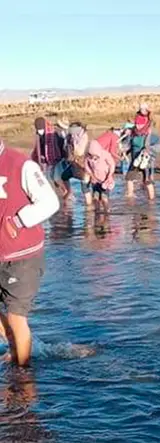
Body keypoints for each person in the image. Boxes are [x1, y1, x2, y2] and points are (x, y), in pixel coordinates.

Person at [0, 139, 61, 365]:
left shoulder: (21, 164)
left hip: (22, 256)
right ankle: (15, 348)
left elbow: (50, 202)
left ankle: (24, 376)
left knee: (16, 316)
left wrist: (18, 221)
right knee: (11, 323)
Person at [125, 104, 160, 200]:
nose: (138, 125)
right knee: (129, 178)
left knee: (148, 180)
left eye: (140, 124)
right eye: (136, 123)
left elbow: (157, 147)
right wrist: (125, 152)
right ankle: (130, 196)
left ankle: (151, 199)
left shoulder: (150, 134)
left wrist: (147, 151)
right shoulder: (133, 132)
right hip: (135, 158)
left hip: (146, 159)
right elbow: (130, 145)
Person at [82, 138, 117, 210]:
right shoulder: (88, 157)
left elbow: (112, 164)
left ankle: (107, 210)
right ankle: (97, 211)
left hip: (106, 180)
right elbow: (86, 166)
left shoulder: (105, 154)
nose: (93, 157)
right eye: (91, 155)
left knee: (104, 197)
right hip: (95, 180)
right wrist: (92, 175)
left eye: (95, 155)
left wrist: (109, 175)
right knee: (95, 197)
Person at [30, 117, 65, 182]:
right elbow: (38, 148)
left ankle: (66, 190)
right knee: (48, 179)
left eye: (41, 129)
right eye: (38, 129)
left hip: (57, 159)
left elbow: (59, 145)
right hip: (46, 161)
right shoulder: (39, 135)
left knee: (56, 178)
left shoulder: (53, 133)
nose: (39, 131)